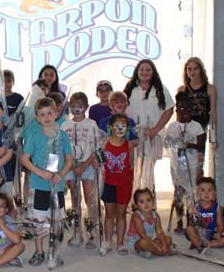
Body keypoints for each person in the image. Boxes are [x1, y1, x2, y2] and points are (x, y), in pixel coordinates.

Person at [21, 97, 74, 266]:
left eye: (50, 113)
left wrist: (61, 174)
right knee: (39, 220)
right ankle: (39, 251)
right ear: (37, 118)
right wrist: (40, 172)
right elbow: (24, 159)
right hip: (39, 186)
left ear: (56, 113)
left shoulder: (63, 136)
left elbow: (69, 159)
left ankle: (55, 251)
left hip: (57, 186)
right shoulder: (34, 136)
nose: (46, 117)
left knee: (56, 220)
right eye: (42, 115)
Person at [124, 59, 174, 192]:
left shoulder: (161, 89)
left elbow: (169, 109)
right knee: (133, 168)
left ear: (153, 72)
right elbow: (121, 109)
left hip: (154, 134)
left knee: (148, 169)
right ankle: (133, 202)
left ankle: (148, 201)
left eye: (148, 70)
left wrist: (155, 129)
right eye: (141, 69)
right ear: (137, 71)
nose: (144, 72)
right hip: (134, 135)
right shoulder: (130, 89)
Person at [61, 92, 103, 249]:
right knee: (75, 198)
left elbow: (96, 148)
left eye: (80, 106)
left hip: (87, 166)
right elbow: (63, 149)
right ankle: (76, 233)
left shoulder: (91, 124)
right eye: (73, 105)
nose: (76, 109)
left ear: (86, 107)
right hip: (70, 167)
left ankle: (92, 233)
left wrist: (84, 165)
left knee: (90, 199)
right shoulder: (65, 126)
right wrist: (71, 165)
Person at [163, 92, 206, 232]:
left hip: (192, 163)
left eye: (188, 109)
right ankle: (179, 220)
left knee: (191, 192)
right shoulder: (173, 126)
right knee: (178, 191)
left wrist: (190, 145)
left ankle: (190, 220)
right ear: (176, 110)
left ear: (192, 110)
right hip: (178, 162)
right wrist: (176, 142)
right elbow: (167, 143)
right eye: (181, 109)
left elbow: (201, 145)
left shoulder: (196, 126)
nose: (185, 112)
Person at [100, 114, 135, 256]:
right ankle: (108, 241)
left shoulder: (129, 145)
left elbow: (131, 165)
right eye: (117, 125)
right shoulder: (104, 143)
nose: (120, 128)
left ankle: (120, 243)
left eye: (123, 125)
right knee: (109, 214)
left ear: (127, 129)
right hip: (108, 184)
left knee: (121, 214)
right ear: (110, 127)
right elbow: (99, 162)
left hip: (124, 185)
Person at [177, 57, 218, 173]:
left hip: (200, 131)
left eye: (195, 69)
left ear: (201, 70)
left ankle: (197, 190)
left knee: (198, 165)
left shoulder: (210, 89)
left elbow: (213, 113)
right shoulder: (182, 89)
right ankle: (183, 190)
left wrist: (214, 137)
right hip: (184, 131)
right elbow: (178, 113)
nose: (192, 72)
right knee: (182, 165)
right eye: (189, 69)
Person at [185, 177, 224, 250]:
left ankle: (200, 244)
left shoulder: (217, 207)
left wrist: (218, 234)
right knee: (189, 229)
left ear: (214, 193)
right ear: (197, 192)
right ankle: (199, 243)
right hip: (198, 233)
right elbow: (191, 224)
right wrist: (192, 214)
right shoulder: (195, 207)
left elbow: (220, 224)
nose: (206, 193)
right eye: (202, 190)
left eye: (210, 190)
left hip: (211, 234)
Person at [126, 188, 172, 258]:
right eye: (141, 202)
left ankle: (151, 251)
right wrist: (156, 246)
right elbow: (143, 235)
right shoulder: (136, 217)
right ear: (136, 205)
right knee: (143, 243)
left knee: (168, 239)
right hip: (136, 243)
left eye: (148, 200)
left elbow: (159, 232)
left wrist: (164, 244)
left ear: (153, 201)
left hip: (149, 241)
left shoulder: (155, 216)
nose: (146, 204)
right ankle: (163, 252)